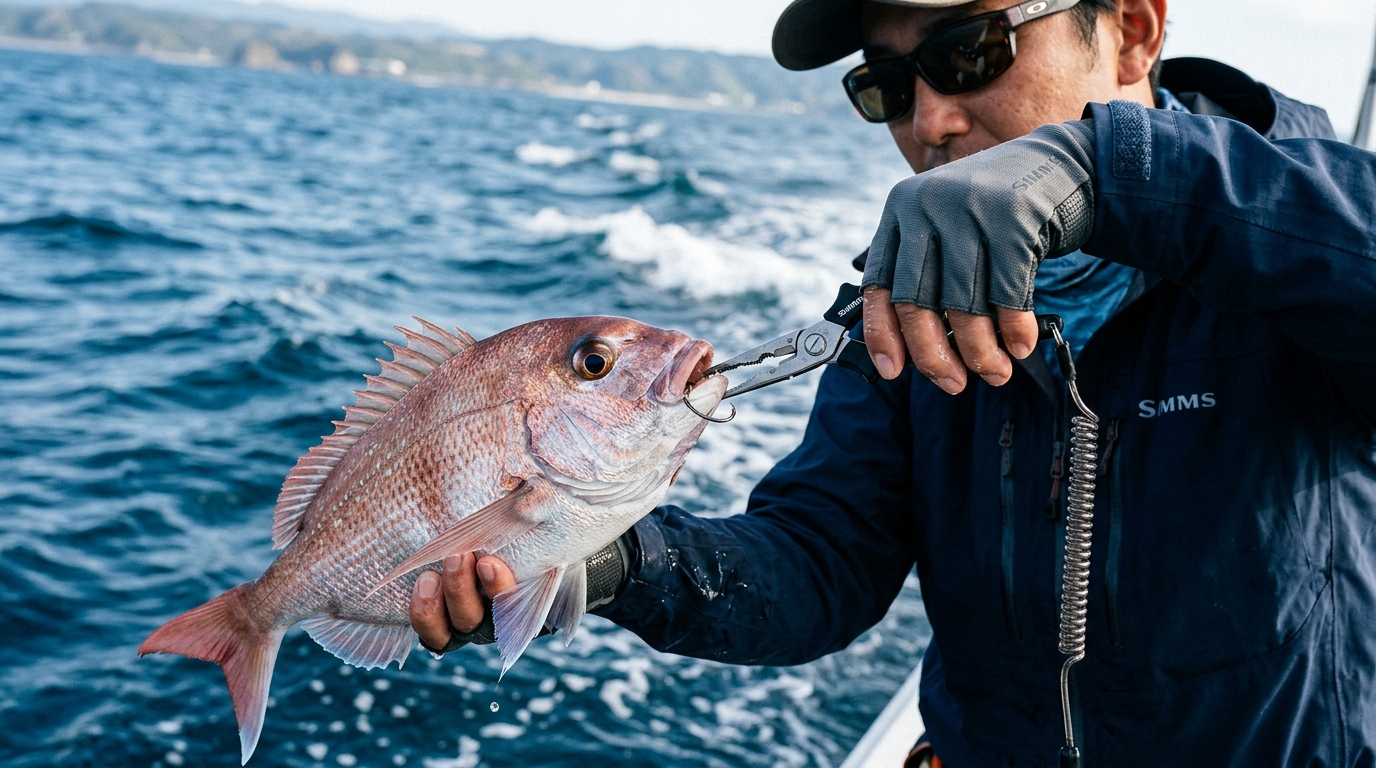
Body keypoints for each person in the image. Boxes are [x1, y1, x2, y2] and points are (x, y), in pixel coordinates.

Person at [411, 0, 1376, 763]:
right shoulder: (907, 300)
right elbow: (821, 567)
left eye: (970, 52)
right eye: (886, 83)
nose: (931, 120)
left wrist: (1109, 173)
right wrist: (620, 562)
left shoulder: (1297, 233)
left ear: (1133, 31)